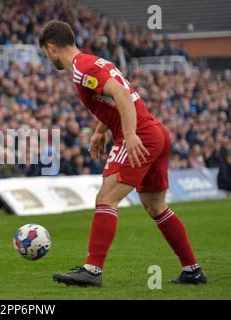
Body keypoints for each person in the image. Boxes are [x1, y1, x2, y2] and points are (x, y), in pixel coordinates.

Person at [38, 20, 206, 286]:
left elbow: (122, 95)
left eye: (46, 54)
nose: (48, 59)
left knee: (106, 199)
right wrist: (100, 130)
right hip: (156, 132)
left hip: (141, 135)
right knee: (155, 206)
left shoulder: (82, 69)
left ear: (51, 48)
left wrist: (128, 135)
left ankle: (92, 271)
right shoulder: (94, 62)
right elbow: (113, 97)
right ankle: (192, 270)